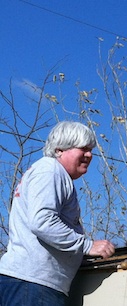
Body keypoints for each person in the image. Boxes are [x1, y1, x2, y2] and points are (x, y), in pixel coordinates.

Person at [0, 121, 115, 305]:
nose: (89, 155)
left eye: (91, 150)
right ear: (59, 149)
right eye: (83, 149)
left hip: (26, 283)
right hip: (34, 285)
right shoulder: (51, 171)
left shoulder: (47, 172)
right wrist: (86, 246)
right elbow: (42, 222)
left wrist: (77, 256)